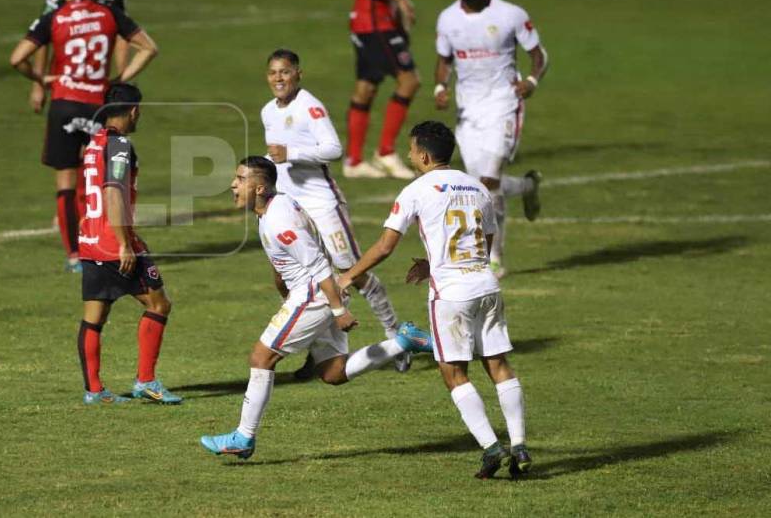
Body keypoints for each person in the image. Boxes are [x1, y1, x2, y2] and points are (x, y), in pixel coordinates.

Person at [199, 157, 433, 459]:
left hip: (316, 294)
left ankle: (243, 438)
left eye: (240, 179)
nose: (233, 184)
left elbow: (318, 265)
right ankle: (404, 341)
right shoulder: (274, 206)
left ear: (258, 188)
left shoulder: (278, 219)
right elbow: (284, 258)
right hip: (316, 292)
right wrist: (284, 288)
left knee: (261, 357)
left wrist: (338, 310)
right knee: (333, 372)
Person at [338, 121, 531, 479]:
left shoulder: (416, 190)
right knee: (498, 364)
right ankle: (519, 444)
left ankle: (491, 447)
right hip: (486, 285)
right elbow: (483, 244)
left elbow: (385, 246)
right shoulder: (476, 186)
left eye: (411, 150)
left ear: (424, 156)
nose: (410, 155)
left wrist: (348, 276)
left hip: (451, 295)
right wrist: (436, 262)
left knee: (453, 372)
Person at [259, 49, 410, 374]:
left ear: (298, 73)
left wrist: (292, 153)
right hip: (291, 206)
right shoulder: (268, 112)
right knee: (299, 279)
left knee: (350, 270)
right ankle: (319, 354)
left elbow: (333, 149)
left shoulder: (309, 106)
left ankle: (395, 335)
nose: (279, 78)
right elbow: (276, 158)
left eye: (285, 72)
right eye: (273, 73)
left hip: (322, 203)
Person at [9, 0, 158, 272]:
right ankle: (108, 245)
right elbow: (149, 48)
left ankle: (74, 255)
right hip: (97, 104)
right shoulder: (107, 13)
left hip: (63, 103)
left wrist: (40, 80)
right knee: (108, 177)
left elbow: (16, 58)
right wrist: (121, 78)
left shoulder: (56, 16)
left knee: (65, 180)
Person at [433, 0, 547, 277]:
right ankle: (527, 186)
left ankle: (494, 258)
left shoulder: (511, 14)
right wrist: (440, 87)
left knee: (488, 179)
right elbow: (443, 60)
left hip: (504, 104)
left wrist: (531, 80)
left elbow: (539, 54)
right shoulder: (447, 20)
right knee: (483, 188)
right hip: (468, 112)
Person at [72, 83, 180, 405]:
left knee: (94, 316)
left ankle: (94, 391)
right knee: (159, 305)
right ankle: (145, 381)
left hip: (90, 240)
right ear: (134, 110)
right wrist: (123, 243)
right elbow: (113, 192)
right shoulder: (119, 144)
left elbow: (90, 192)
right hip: (112, 242)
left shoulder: (94, 144)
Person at [343, 0, 426, 179]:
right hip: (374, 24)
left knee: (366, 86)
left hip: (374, 22)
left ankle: (353, 162)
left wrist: (396, 4)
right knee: (409, 80)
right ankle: (386, 152)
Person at [29, 0, 129, 113]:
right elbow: (40, 40)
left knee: (107, 138)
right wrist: (38, 84)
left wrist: (122, 79)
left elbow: (124, 38)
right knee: (74, 138)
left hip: (99, 88)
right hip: (66, 90)